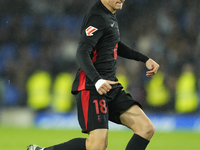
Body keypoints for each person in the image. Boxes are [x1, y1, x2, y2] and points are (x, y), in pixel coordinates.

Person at [27, 0, 159, 150]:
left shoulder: (109, 15)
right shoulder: (97, 16)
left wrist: (144, 59)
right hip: (92, 86)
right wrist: (97, 81)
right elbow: (82, 52)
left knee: (146, 129)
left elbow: (114, 44)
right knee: (97, 145)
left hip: (110, 86)